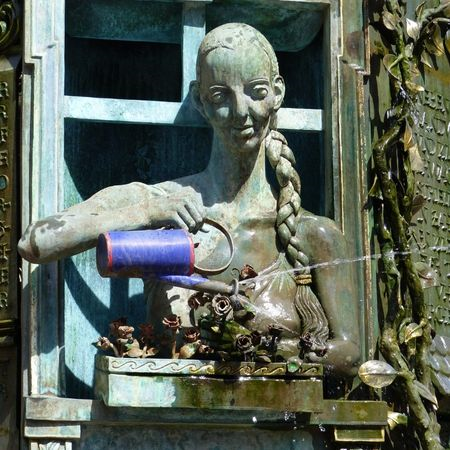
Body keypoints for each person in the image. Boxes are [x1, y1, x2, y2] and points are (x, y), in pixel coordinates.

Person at [19, 23, 360, 376]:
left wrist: (264, 348)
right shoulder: (163, 203)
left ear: (277, 93)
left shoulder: (313, 233)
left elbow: (350, 354)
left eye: (256, 92)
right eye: (221, 96)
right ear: (200, 101)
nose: (241, 111)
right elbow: (36, 242)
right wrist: (149, 211)